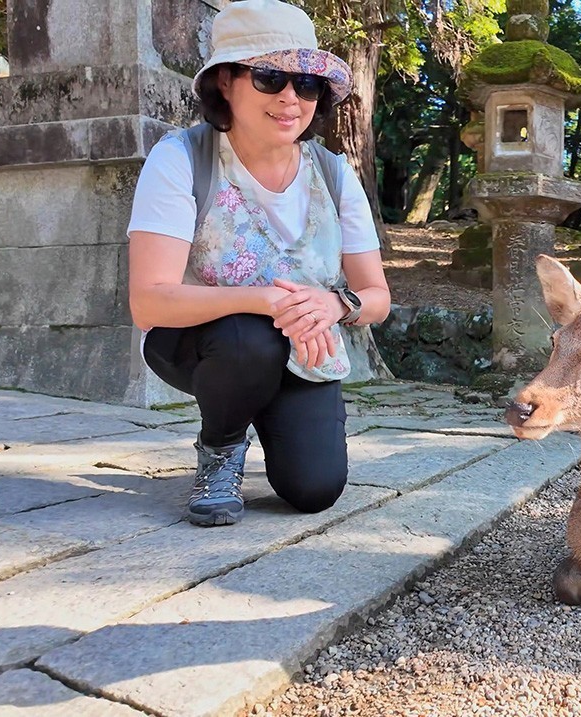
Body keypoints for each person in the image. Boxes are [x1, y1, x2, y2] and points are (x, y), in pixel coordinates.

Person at [127, 0, 389, 527]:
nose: (291, 97)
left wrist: (337, 303)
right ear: (225, 81)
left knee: (313, 490)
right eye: (270, 77)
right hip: (203, 344)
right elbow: (149, 299)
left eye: (307, 83)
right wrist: (266, 299)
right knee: (252, 333)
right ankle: (221, 447)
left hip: (304, 350)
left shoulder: (336, 176)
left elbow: (376, 296)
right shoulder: (180, 159)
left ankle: (265, 411)